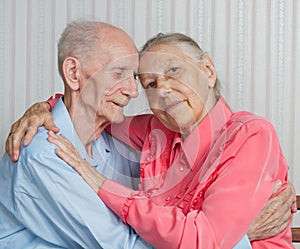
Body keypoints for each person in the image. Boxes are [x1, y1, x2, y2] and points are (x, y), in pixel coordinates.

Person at [5, 31, 297, 248]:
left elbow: (202, 240)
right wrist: (46, 108)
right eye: (150, 84)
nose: (164, 90)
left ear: (207, 70)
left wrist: (99, 183)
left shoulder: (250, 135)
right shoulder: (156, 132)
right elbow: (90, 111)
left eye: (174, 70)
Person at [0, 20, 154, 249]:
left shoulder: (109, 142)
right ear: (74, 73)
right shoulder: (43, 153)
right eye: (119, 72)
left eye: (133, 76)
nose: (132, 91)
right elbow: (121, 245)